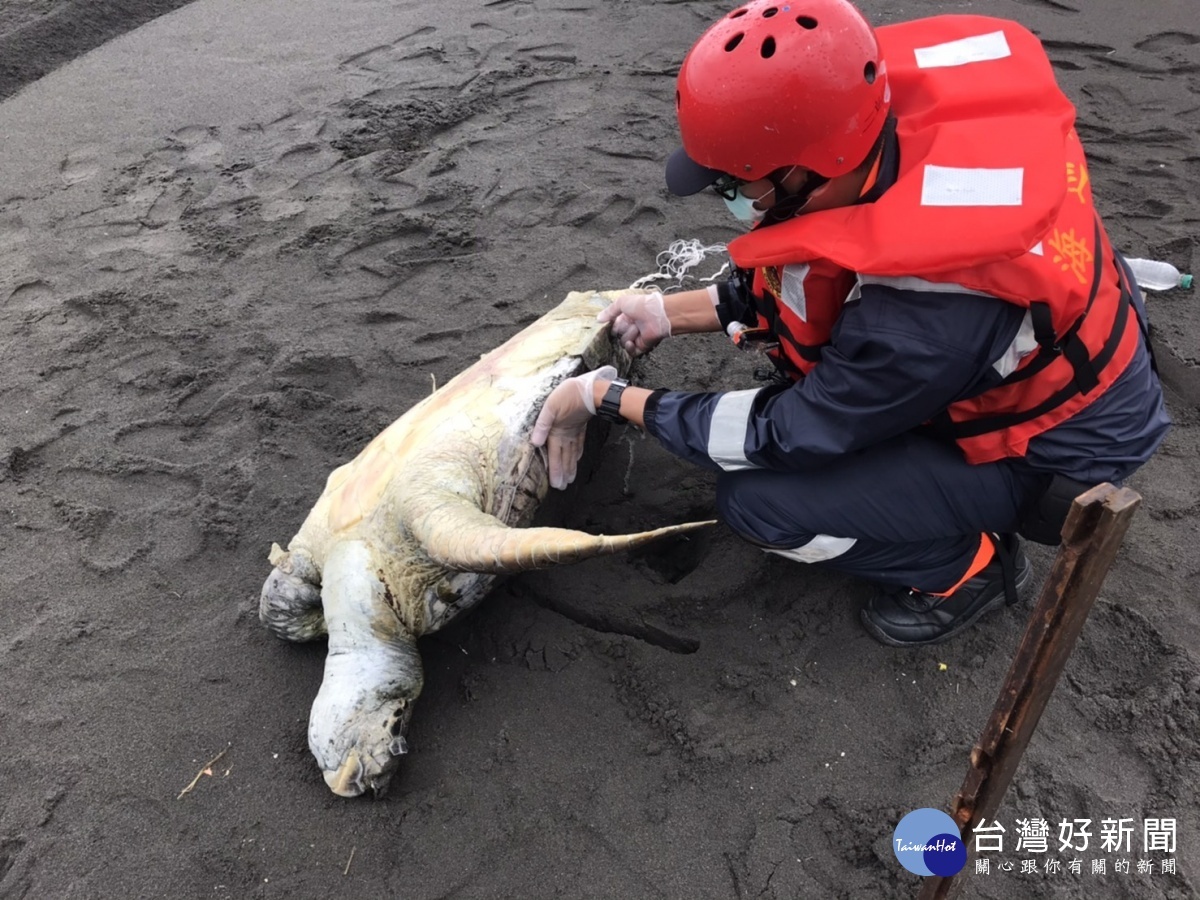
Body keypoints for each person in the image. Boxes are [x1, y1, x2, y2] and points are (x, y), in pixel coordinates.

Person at [530, 0, 1170, 646]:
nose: (731, 197)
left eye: (737, 183)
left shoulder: (923, 309)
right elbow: (802, 279)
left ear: (808, 170)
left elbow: (784, 434)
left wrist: (606, 398)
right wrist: (666, 313)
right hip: (1020, 364)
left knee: (757, 503)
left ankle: (966, 568)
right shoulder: (868, 133)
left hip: (1056, 454)